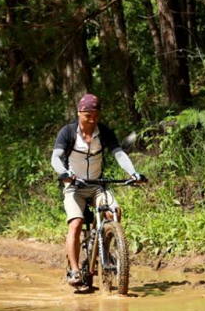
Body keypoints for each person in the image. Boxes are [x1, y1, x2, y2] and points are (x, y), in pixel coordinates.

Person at [51, 94, 145, 286]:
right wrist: (63, 173)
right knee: (76, 224)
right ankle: (75, 271)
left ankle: (105, 246)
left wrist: (134, 173)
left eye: (96, 115)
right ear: (79, 113)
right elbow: (56, 157)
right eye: (88, 115)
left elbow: (119, 154)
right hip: (74, 187)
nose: (92, 119)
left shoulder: (104, 132)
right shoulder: (68, 132)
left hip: (97, 186)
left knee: (114, 212)